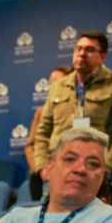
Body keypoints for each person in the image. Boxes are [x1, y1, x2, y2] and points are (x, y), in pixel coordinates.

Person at [31, 31, 112, 177]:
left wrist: (107, 165)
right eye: (78, 49)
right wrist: (42, 166)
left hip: (95, 171)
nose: (82, 54)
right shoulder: (58, 86)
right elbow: (43, 132)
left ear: (102, 57)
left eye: (89, 50)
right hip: (58, 169)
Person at [26, 67, 73, 203]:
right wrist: (40, 168)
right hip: (42, 174)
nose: (54, 86)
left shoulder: (79, 109)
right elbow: (31, 145)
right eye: (51, 83)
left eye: (58, 82)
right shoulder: (41, 112)